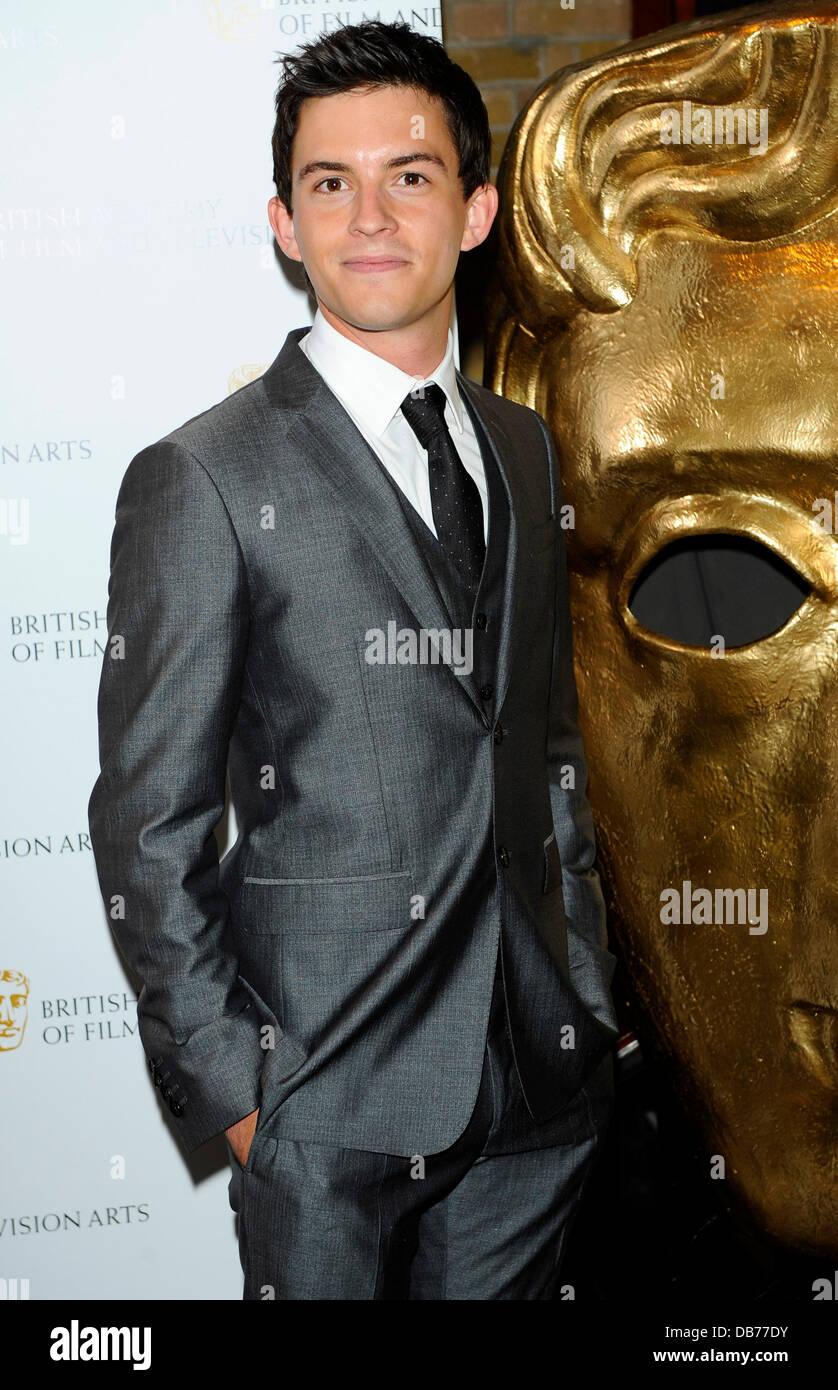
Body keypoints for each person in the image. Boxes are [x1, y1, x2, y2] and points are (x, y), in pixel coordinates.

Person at [87, 19, 618, 1301]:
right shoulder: (205, 476)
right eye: (330, 182)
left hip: (535, 1091)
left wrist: (588, 994)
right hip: (322, 1102)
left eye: (411, 176)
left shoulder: (524, 449)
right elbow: (146, 822)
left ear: (477, 210)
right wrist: (246, 1098)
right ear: (284, 222)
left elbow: (543, 746)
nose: (369, 215)